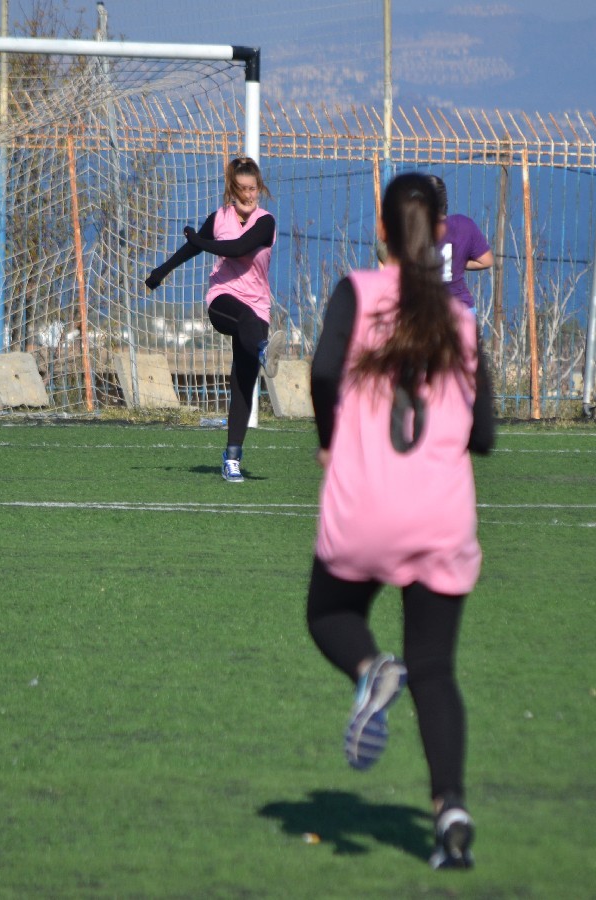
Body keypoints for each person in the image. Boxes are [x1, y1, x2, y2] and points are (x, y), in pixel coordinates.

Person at [306, 172, 495, 869]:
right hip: (440, 514)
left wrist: (331, 436)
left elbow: (324, 373)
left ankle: (372, 667)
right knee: (437, 671)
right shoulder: (460, 320)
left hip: (367, 504)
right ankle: (451, 811)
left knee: (329, 613)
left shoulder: (357, 294)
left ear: (381, 230)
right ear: (442, 234)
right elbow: (484, 436)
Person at [145, 156, 276, 482]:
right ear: (232, 189)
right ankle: (264, 349)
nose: (249, 194)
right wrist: (162, 271)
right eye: (243, 189)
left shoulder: (266, 222)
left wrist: (200, 241)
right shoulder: (218, 218)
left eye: (254, 188)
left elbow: (238, 248)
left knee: (243, 382)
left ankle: (232, 458)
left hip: (258, 306)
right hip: (223, 300)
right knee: (244, 318)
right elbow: (190, 250)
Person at [425, 174, 493, 312]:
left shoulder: (415, 231)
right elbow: (487, 261)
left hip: (429, 312)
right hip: (462, 310)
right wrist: (458, 261)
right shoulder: (464, 225)